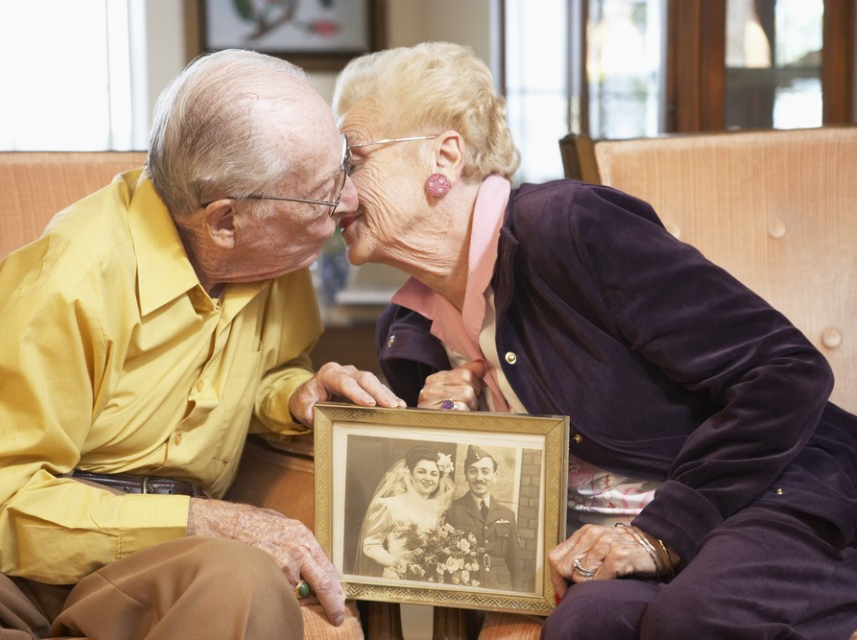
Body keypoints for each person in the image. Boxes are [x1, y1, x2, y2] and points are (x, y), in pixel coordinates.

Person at [331, 41, 857, 639]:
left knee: (695, 618)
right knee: (584, 625)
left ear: (445, 156)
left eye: (353, 161)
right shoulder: (407, 335)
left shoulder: (570, 229)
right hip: (622, 547)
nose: (335, 194)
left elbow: (788, 370)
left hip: (775, 492)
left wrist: (659, 535)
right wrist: (457, 435)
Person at [0, 49, 408, 640]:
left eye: (342, 167)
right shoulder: (69, 282)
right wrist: (196, 520)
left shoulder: (276, 255)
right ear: (225, 222)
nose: (348, 203)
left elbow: (271, 366)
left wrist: (295, 393)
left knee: (242, 580)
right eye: (323, 196)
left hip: (149, 558)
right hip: (3, 543)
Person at [356, 446, 455, 579]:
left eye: (433, 474)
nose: (428, 478)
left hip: (428, 579)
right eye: (421, 472)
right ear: (410, 474)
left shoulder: (436, 509)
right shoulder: (389, 505)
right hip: (398, 576)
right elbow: (370, 545)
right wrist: (397, 563)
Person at [445, 445, 522, 591]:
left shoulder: (507, 515)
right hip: (465, 586)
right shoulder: (452, 511)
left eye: (485, 471)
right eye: (473, 471)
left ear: (495, 476)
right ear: (465, 475)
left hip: (501, 588)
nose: (479, 478)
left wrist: (518, 600)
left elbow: (515, 563)